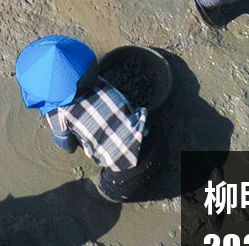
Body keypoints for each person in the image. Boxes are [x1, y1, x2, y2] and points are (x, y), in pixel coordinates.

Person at [15, 36, 159, 202]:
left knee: (97, 192)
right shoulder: (97, 80)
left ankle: (114, 193)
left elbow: (67, 146)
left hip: (127, 173)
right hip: (152, 136)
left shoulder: (57, 113)